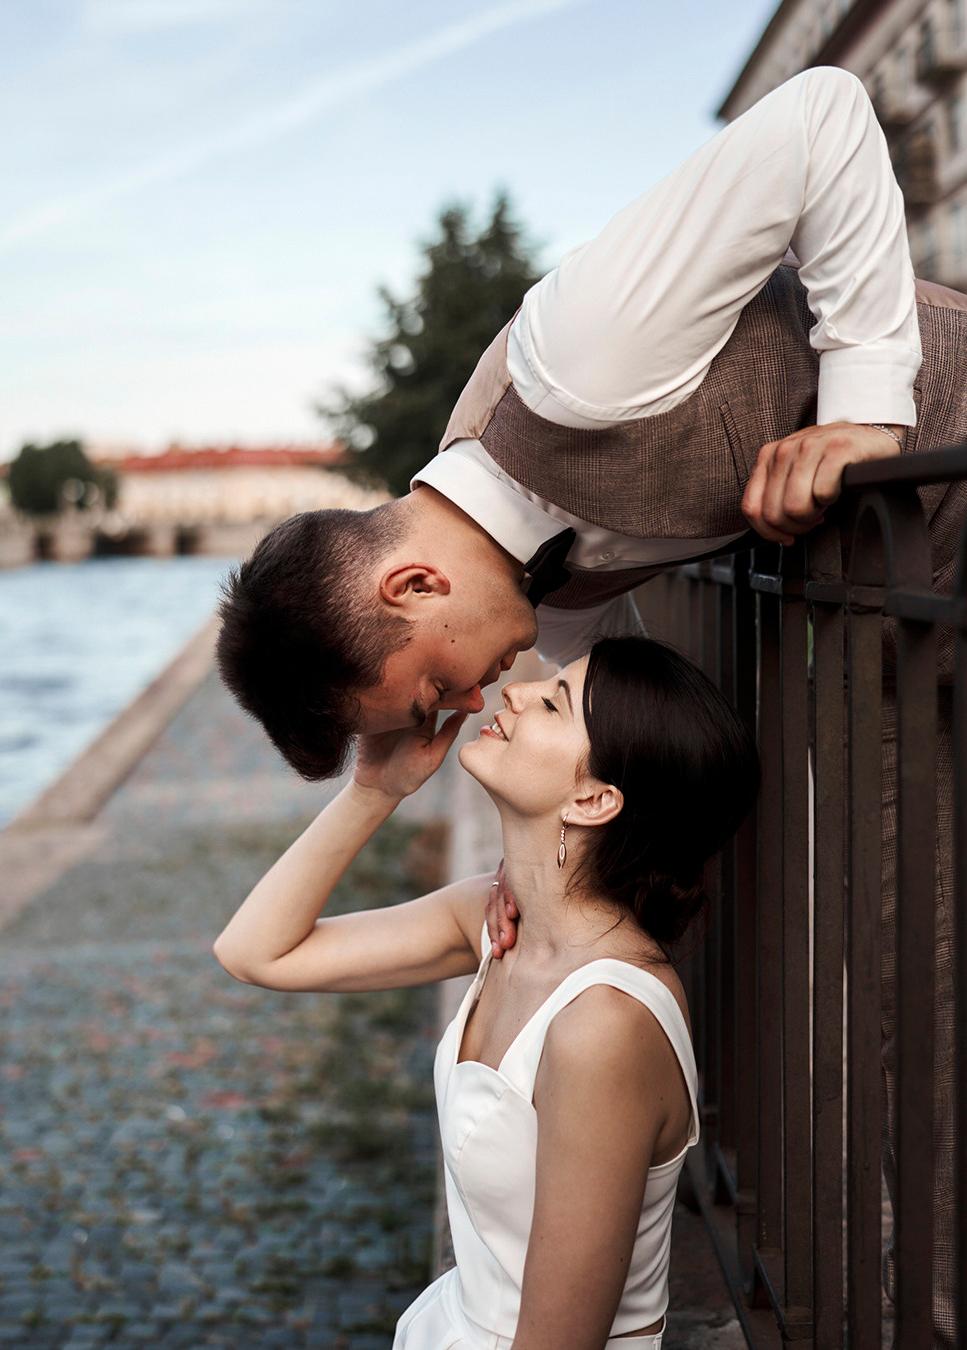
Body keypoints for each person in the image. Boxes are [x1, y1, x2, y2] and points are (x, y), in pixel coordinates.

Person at [217, 66, 965, 1342]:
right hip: (890, 585)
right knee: (887, 929)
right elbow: (584, 744)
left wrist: (863, 416)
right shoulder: (531, 598)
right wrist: (378, 785)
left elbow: (827, 113)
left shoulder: (577, 358)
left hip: (933, 512)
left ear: (409, 583)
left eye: (433, 688)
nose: (467, 708)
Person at [214, 636, 760, 1349]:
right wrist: (375, 789)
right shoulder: (495, 922)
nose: (515, 692)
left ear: (594, 799)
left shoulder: (605, 1024)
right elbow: (255, 951)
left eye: (555, 702)